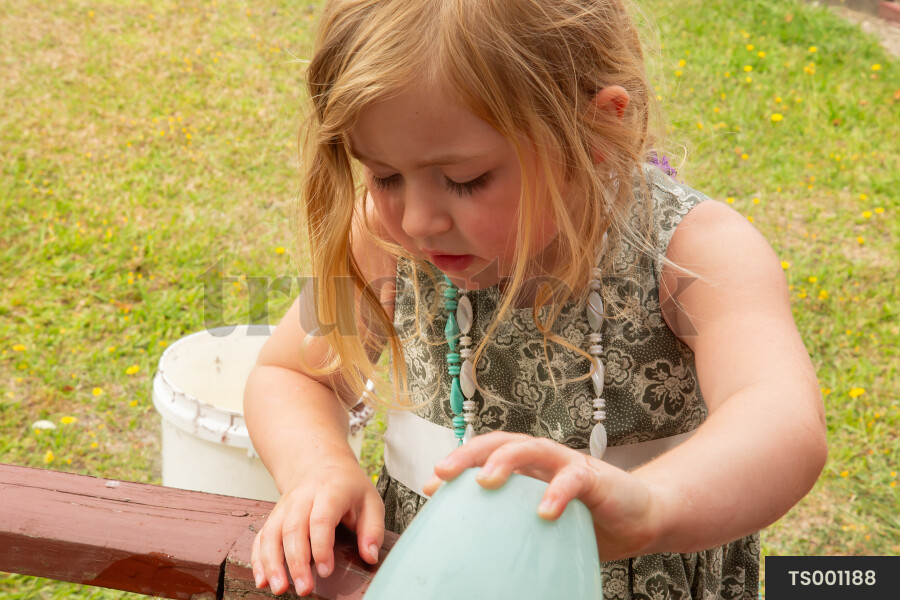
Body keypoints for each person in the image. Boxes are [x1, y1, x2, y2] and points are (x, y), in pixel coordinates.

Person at [243, 0, 827, 598]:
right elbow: (292, 373)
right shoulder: (382, 242)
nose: (416, 219)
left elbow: (782, 419)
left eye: (464, 179)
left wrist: (653, 504)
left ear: (599, 132)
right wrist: (318, 467)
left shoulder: (692, 253)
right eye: (384, 175)